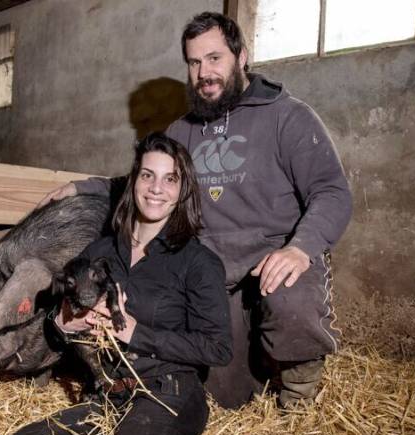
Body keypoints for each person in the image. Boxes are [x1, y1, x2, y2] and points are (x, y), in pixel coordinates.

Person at [8, 132, 369, 435]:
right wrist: (65, 323)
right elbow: (55, 327)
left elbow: (217, 348)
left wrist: (134, 332)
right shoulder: (100, 252)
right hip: (112, 398)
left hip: (168, 394)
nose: (156, 188)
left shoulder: (196, 261)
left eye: (170, 179)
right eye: (148, 176)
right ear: (133, 182)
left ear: (182, 191)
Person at [41, 12, 352, 410]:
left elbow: (332, 191)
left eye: (214, 58)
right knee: (225, 397)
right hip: (215, 273)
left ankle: (299, 399)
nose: (204, 72)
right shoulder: (183, 130)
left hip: (272, 258)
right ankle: (255, 362)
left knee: (291, 297)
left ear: (241, 56)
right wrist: (82, 187)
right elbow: (148, 181)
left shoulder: (288, 116)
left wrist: (299, 248)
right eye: (194, 62)